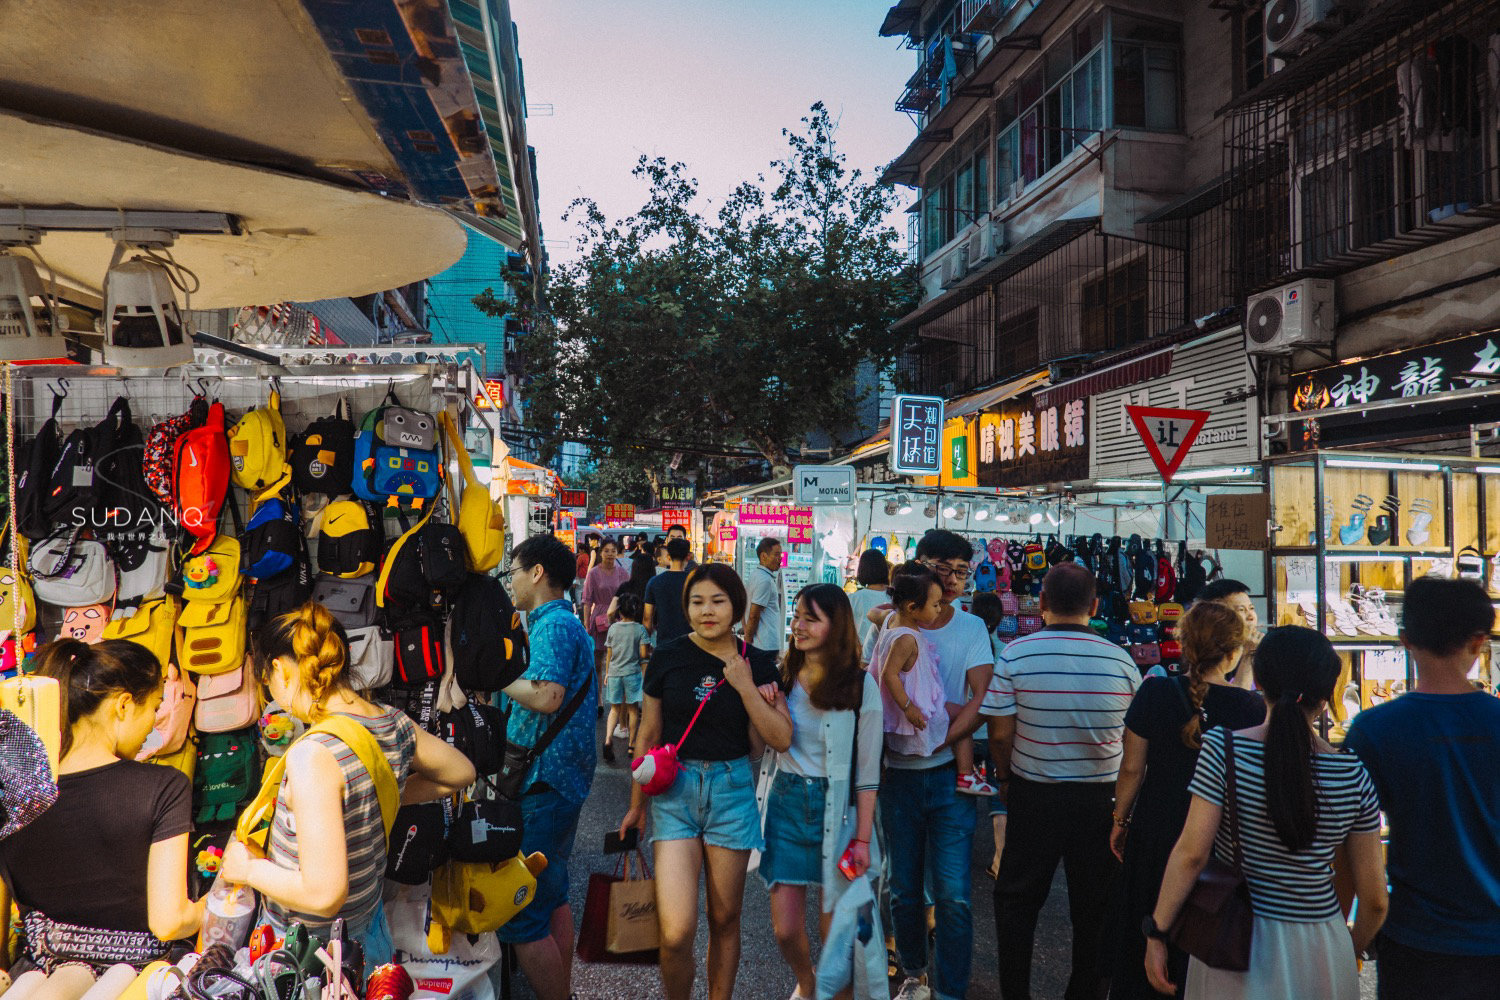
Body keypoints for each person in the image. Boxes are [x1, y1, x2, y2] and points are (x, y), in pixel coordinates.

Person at [222, 604, 475, 963]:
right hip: (368, 934)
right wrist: (382, 794)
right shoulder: (393, 722)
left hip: (314, 957)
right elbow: (461, 772)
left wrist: (247, 870)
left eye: (268, 683)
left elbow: (325, 894)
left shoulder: (314, 755)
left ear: (280, 670)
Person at [1144, 626, 1387, 999]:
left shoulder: (1222, 750)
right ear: (1327, 696)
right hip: (1322, 946)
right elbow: (1374, 899)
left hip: (1236, 943)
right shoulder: (1352, 773)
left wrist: (1157, 932)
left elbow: (1191, 854)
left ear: (1258, 681)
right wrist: (1349, 947)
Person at [620, 564, 791, 1000]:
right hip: (675, 791)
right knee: (676, 931)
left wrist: (747, 687)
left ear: (736, 606)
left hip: (732, 790)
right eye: (697, 602)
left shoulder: (758, 663)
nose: (707, 611)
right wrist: (636, 806)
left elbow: (780, 738)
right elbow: (648, 735)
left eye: (717, 601)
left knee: (725, 919)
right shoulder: (667, 656)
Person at [0, 640, 203, 981]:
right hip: (138, 982)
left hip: (38, 979)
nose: (153, 726)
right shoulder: (164, 787)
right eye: (154, 708)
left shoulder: (14, 790)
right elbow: (170, 921)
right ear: (123, 705)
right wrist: (218, 902)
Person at [984, 562, 1140, 1000]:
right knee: (1094, 910)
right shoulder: (1122, 662)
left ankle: (1016, 993)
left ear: (1043, 603)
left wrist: (1004, 777)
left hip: (1034, 794)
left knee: (1016, 903)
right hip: (1100, 800)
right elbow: (1133, 745)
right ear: (1095, 606)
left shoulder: (1016, 655)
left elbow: (1000, 734)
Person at [1343, 576, 1500, 999]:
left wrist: (1353, 940)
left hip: (1416, 940)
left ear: (1405, 640)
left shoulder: (1374, 730)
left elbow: (1347, 845)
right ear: (1478, 642)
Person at [1107, 602, 1266, 999]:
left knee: (1143, 942)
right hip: (1218, 838)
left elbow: (1131, 768)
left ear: (1184, 645)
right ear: (1234, 651)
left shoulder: (1155, 691)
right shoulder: (1252, 707)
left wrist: (1120, 820)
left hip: (1156, 829)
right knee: (1206, 939)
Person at [878, 529, 995, 1000]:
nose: (950, 580)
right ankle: (913, 974)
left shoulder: (970, 628)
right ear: (918, 567)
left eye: (960, 572)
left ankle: (950, 990)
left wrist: (938, 741)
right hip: (896, 777)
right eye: (940, 569)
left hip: (948, 775)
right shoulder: (891, 622)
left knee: (954, 896)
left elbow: (983, 697)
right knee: (904, 889)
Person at [759, 584, 885, 1000]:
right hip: (787, 804)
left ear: (837, 626)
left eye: (810, 619)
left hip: (840, 814)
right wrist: (763, 704)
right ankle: (807, 982)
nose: (798, 625)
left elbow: (868, 773)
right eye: (796, 616)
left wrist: (863, 840)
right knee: (785, 929)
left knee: (837, 942)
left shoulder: (861, 686)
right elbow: (760, 745)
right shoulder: (782, 676)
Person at [496, 534, 601, 1000]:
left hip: (543, 781)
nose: (511, 582)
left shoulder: (554, 625)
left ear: (537, 573)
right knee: (552, 892)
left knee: (523, 916)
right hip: (558, 781)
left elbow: (547, 696)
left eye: (513, 571)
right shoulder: (561, 622)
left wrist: (497, 677)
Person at [870, 563, 993, 795]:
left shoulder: (890, 621)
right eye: (935, 605)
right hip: (922, 707)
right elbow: (888, 673)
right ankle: (966, 775)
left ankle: (966, 775)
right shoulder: (906, 638)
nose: (939, 609)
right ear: (912, 607)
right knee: (963, 717)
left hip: (920, 707)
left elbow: (872, 613)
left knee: (962, 714)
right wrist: (908, 707)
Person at [968, 590, 1009, 876]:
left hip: (966, 735)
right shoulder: (1007, 653)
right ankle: (1000, 860)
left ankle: (958, 860)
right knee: (998, 800)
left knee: (962, 797)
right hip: (997, 734)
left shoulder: (966, 651)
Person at [602, 592, 651, 765]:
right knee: (632, 710)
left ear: (620, 611)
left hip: (614, 673)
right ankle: (631, 745)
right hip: (632, 673)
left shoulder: (613, 629)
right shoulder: (640, 629)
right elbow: (643, 654)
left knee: (614, 709)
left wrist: (607, 673)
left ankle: (608, 739)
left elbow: (609, 654)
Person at [582, 537, 632, 688]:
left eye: (613, 551)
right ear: (601, 553)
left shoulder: (622, 573)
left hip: (618, 618)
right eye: (606, 551)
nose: (610, 554)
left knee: (618, 660)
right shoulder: (593, 573)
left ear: (617, 553)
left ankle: (615, 692)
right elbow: (587, 601)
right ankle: (599, 696)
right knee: (597, 661)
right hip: (598, 618)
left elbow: (629, 596)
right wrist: (586, 624)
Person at [1193, 580, 1259, 691]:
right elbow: (1235, 699)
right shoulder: (1213, 655)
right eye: (1241, 609)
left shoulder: (1258, 648)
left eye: (1251, 608)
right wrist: (1248, 655)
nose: (1251, 616)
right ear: (1217, 615)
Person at [646, 537, 695, 643]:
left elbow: (647, 618)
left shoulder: (654, 582)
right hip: (690, 641)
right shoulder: (694, 582)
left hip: (664, 642)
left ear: (668, 557)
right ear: (688, 557)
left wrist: (647, 642)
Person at [745, 537, 786, 654]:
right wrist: (748, 641)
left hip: (761, 644)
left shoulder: (756, 575)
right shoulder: (765, 580)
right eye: (776, 555)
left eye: (780, 555)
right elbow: (754, 614)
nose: (780, 559)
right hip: (765, 645)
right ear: (763, 556)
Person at [848, 548, 891, 652]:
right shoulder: (894, 597)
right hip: (888, 653)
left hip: (861, 654)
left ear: (862, 570)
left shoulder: (854, 598)